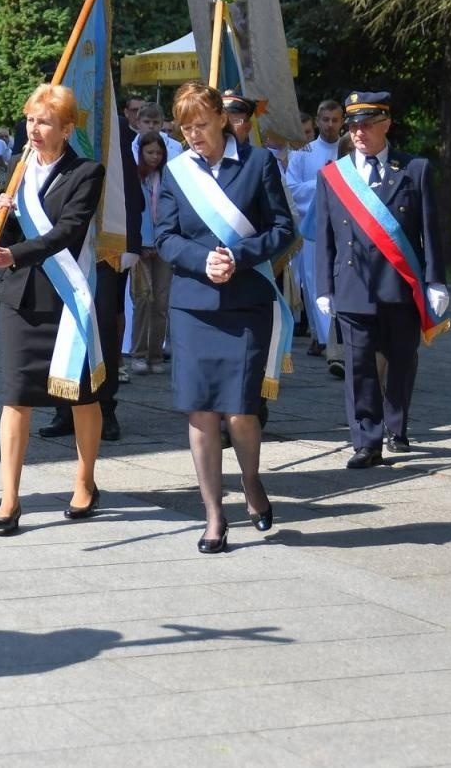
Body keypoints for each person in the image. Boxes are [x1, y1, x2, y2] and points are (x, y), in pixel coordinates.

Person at [155, 81, 295, 553]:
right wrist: (201, 260)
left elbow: (282, 228)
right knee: (201, 411)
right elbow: (165, 237)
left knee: (240, 411)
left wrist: (238, 253)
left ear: (222, 119)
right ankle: (214, 515)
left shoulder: (258, 165)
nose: (194, 135)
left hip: (246, 303)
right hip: (194, 306)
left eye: (200, 124)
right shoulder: (177, 174)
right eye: (185, 128)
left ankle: (251, 481)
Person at [0, 84, 107, 534]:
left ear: (67, 128)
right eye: (31, 119)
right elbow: (6, 234)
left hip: (67, 298)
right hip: (22, 299)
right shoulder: (19, 169)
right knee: (16, 397)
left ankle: (85, 480)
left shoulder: (88, 172)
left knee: (80, 395)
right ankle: (10, 498)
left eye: (45, 121)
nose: (34, 129)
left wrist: (13, 253)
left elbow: (67, 233)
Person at [316, 91, 449, 469]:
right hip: (353, 285)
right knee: (359, 366)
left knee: (402, 360)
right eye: (353, 125)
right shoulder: (334, 176)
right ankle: (366, 441)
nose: (359, 132)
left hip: (400, 285)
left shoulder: (414, 169)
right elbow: (324, 235)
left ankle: (397, 425)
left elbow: (429, 230)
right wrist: (324, 286)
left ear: (386, 124)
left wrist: (435, 280)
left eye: (367, 124)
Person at [286, 100, 343, 358]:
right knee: (312, 278)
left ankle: (340, 335)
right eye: (325, 119)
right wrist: (323, 181)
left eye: (335, 120)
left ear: (342, 122)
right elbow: (292, 190)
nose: (330, 125)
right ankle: (322, 337)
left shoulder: (350, 149)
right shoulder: (304, 152)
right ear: (318, 121)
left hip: (344, 226)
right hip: (314, 225)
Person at [128, 131, 172, 377]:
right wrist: (142, 243)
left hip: (164, 244)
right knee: (143, 299)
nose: (154, 157)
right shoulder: (136, 177)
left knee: (162, 301)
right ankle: (138, 353)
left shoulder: (168, 177)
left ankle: (156, 353)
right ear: (141, 153)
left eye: (158, 152)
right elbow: (136, 212)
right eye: (150, 152)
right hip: (142, 244)